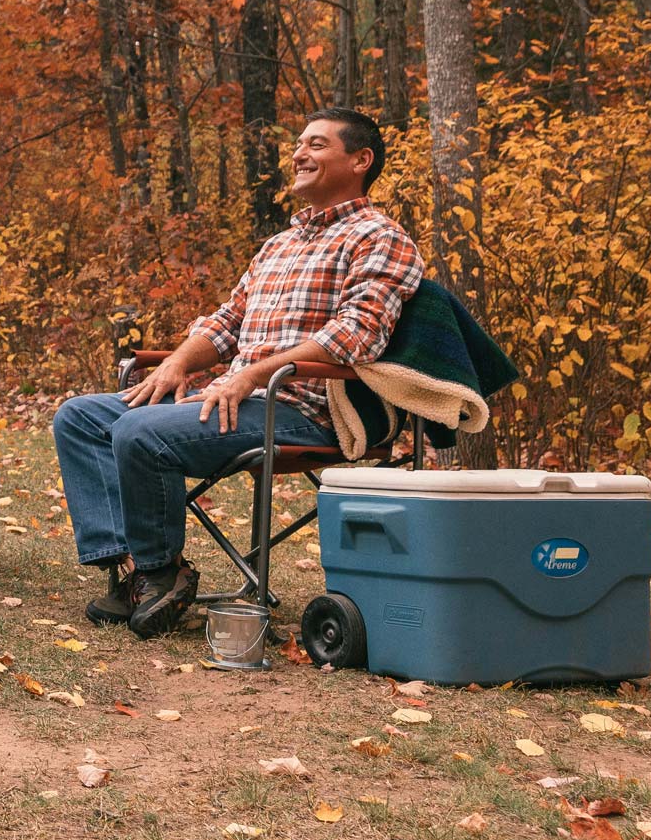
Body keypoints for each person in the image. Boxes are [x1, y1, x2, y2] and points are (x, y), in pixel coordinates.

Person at [52, 109, 424, 639]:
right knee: (80, 417)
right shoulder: (279, 245)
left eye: (317, 145)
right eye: (299, 143)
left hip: (302, 409)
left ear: (360, 160)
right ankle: (140, 570)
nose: (299, 154)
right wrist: (178, 361)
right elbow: (227, 322)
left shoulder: (380, 237)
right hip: (236, 398)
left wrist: (252, 376)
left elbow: (357, 335)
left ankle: (160, 574)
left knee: (139, 430)